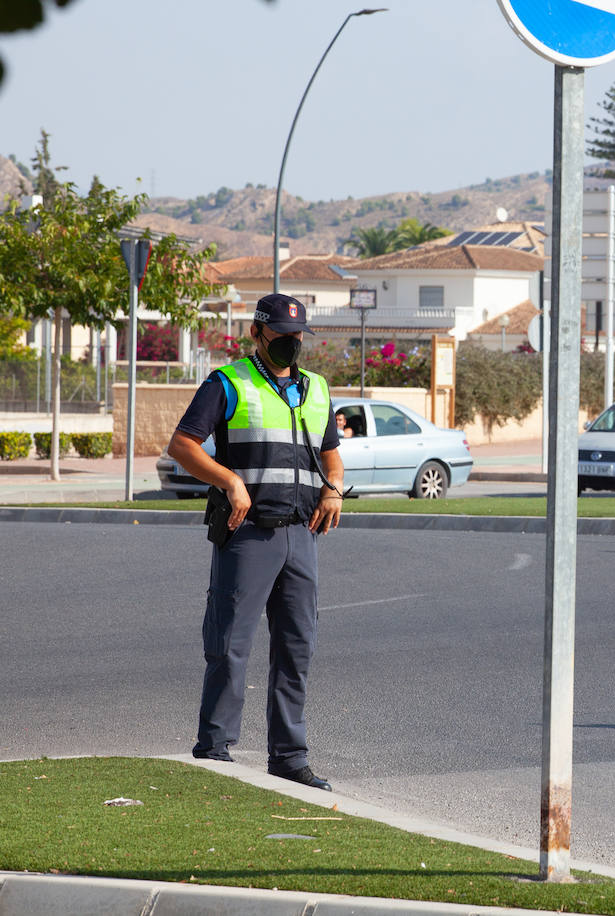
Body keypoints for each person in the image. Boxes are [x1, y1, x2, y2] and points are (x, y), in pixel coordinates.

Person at [167, 293, 344, 791]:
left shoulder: (315, 388)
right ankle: (216, 748)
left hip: (302, 533)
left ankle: (289, 756)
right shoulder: (228, 382)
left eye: (296, 338)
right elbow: (181, 445)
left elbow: (331, 455)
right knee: (230, 643)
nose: (290, 346)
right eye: (281, 337)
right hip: (247, 533)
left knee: (296, 647)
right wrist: (229, 480)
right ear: (256, 334)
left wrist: (333, 489)